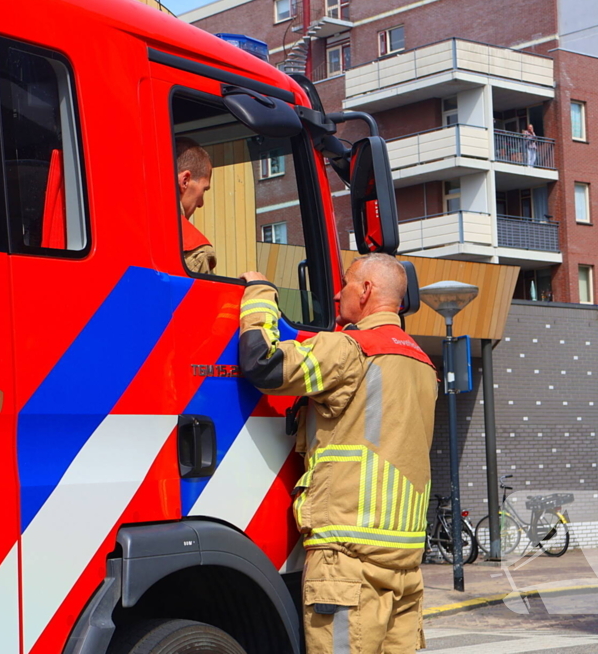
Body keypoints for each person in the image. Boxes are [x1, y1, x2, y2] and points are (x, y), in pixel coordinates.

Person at [238, 253, 438, 654]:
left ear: (365, 291)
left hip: (348, 559)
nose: (335, 293)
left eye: (345, 283)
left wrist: (259, 294)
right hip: (406, 562)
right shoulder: (423, 363)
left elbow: (264, 364)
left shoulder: (350, 349)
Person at [175, 137, 216, 274]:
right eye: (204, 189)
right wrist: (258, 285)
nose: (201, 204)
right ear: (185, 181)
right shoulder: (195, 250)